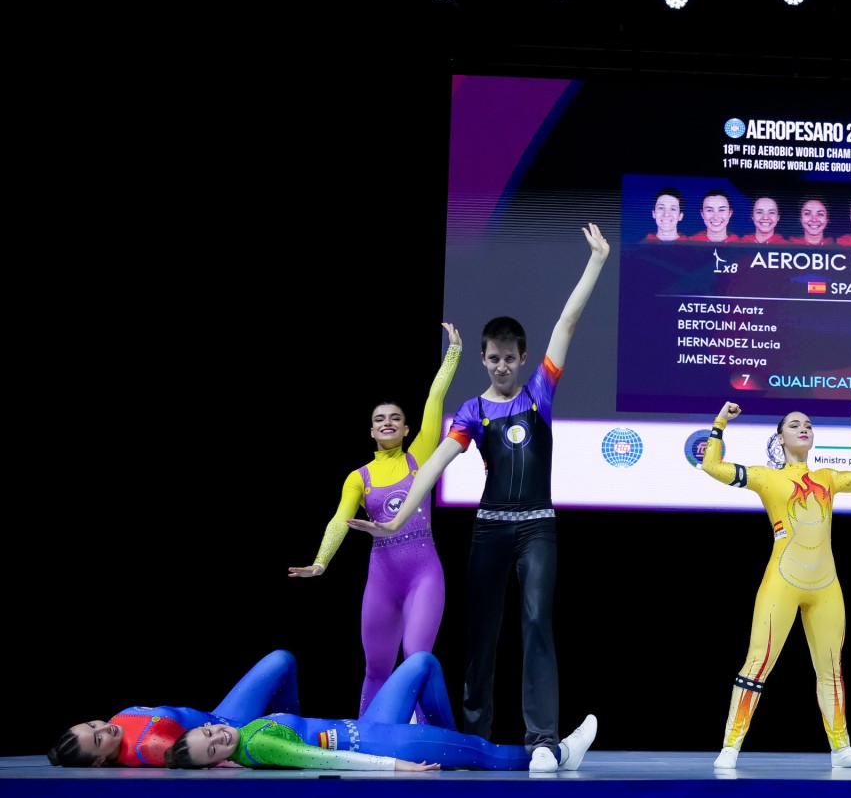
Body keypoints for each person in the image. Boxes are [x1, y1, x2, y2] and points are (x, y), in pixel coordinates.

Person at [349, 223, 612, 773]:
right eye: (493, 358)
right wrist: (395, 521)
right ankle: (475, 740)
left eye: (509, 358)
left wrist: (595, 261)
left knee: (536, 623)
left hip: (538, 528)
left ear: (522, 357)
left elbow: (566, 322)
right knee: (481, 637)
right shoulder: (471, 411)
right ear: (484, 359)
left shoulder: (539, 393)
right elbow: (435, 466)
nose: (501, 366)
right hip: (490, 530)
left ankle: (543, 741)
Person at [288, 323, 462, 722]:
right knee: (377, 668)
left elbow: (435, 397)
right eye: (380, 418)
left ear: (405, 428)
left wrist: (453, 352)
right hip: (382, 579)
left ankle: (434, 740)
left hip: (423, 575)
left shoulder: (420, 454)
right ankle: (366, 739)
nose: (387, 422)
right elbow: (339, 519)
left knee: (417, 660)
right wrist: (321, 562)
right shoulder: (358, 477)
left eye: (395, 418)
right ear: (371, 430)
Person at [697, 401, 851, 772]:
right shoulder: (767, 477)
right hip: (782, 581)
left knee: (831, 669)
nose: (803, 428)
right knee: (758, 662)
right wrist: (720, 423)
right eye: (794, 425)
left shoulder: (828, 477)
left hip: (826, 586)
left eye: (808, 424)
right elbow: (712, 466)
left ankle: (842, 748)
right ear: (779, 438)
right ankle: (730, 746)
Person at [165, 651, 599, 772]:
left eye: (208, 733)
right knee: (488, 754)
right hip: (388, 744)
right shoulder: (260, 744)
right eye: (212, 750)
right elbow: (328, 760)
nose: (217, 736)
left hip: (370, 726)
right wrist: (398, 766)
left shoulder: (243, 736)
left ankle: (457, 750)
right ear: (216, 764)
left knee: (422, 663)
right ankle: (560, 754)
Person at [46, 649, 301, 767]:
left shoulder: (116, 723)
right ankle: (295, 730)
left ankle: (294, 724)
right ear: (99, 761)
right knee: (281, 660)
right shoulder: (148, 747)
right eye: (98, 740)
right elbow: (203, 754)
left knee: (282, 659)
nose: (104, 729)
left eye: (93, 725)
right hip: (239, 730)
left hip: (220, 716)